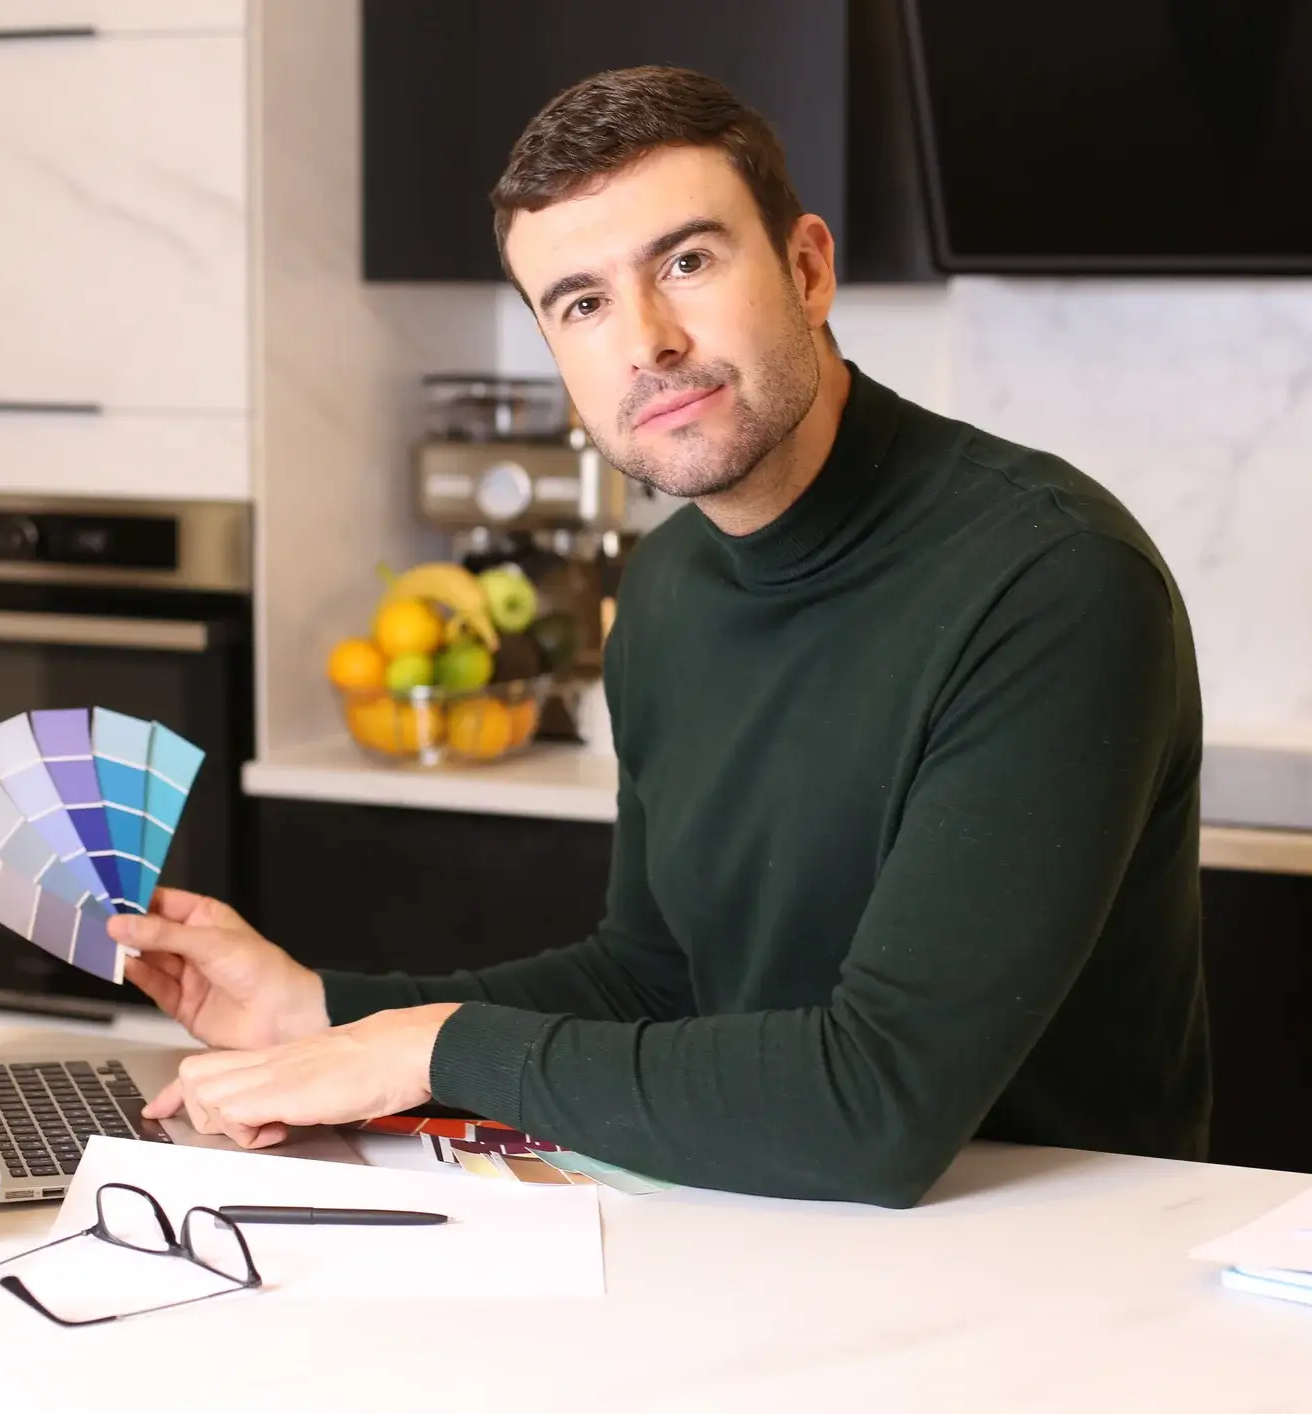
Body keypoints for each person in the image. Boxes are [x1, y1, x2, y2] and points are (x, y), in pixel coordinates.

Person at [116, 66, 1209, 1209]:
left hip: (1053, 1266)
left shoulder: (1050, 581)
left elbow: (878, 1105)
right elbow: (655, 977)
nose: (647, 340)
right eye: (581, 304)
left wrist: (430, 1048)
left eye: (687, 262)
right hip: (770, 1226)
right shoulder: (670, 585)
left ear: (807, 269)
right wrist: (324, 1010)